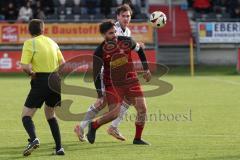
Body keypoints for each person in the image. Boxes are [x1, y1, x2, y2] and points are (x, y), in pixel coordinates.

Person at [74, 4, 145, 142]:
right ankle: (83, 127)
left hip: (120, 74)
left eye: (128, 16)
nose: (126, 18)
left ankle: (112, 127)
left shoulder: (127, 31)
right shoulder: (116, 30)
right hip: (107, 73)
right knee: (102, 102)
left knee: (128, 99)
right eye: (123, 16)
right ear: (117, 16)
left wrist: (136, 46)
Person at [86, 20, 151, 145]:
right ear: (104, 35)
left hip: (131, 80)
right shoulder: (99, 51)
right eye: (111, 33)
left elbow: (140, 50)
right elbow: (96, 75)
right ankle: (94, 125)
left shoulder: (126, 41)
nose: (114, 35)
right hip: (113, 84)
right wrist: (100, 95)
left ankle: (137, 139)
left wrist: (146, 68)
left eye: (115, 32)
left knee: (142, 109)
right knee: (114, 114)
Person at [20, 19, 65, 156]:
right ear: (43, 30)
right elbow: (63, 63)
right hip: (55, 81)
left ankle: (33, 139)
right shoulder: (52, 42)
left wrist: (31, 73)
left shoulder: (30, 43)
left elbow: (25, 66)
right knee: (50, 114)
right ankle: (59, 148)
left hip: (41, 80)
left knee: (26, 115)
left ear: (29, 31)